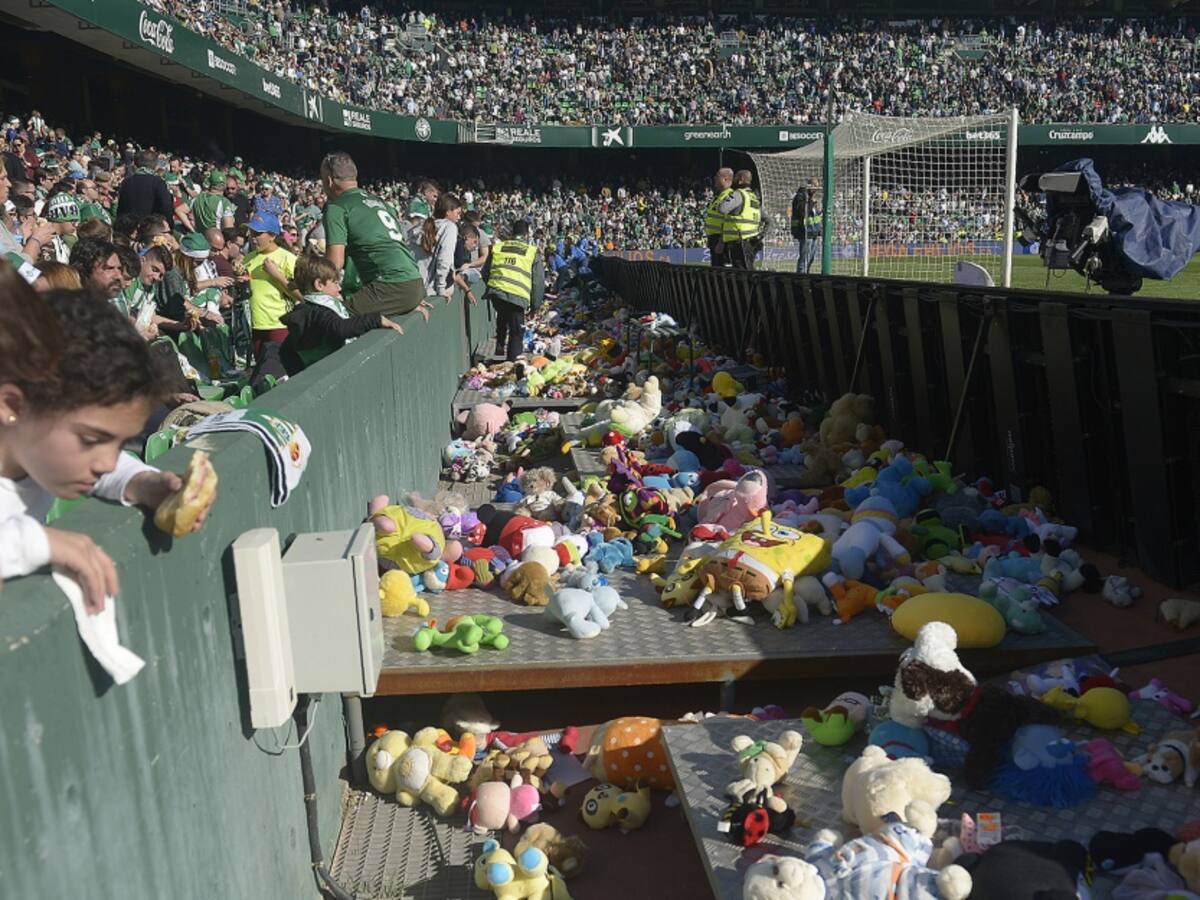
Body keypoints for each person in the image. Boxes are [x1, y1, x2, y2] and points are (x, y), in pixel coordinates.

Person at [0, 287, 206, 612]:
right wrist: (37, 543)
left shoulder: (36, 451)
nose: (108, 463)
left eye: (120, 442)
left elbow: (109, 465)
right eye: (92, 440)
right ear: (12, 405)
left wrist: (145, 483)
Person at [252, 253, 404, 383]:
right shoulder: (319, 312)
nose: (339, 288)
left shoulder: (309, 310)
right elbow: (339, 328)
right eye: (335, 283)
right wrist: (376, 319)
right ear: (319, 285)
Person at [319, 151, 428, 318]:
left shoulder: (337, 207)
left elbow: (334, 264)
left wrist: (308, 287)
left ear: (329, 180)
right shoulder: (381, 202)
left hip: (391, 286)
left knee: (330, 318)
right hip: (415, 282)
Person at [482, 219, 544, 363]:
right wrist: (535, 306)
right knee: (516, 332)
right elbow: (538, 282)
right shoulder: (531, 251)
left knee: (503, 316)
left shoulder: (498, 247)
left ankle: (499, 347)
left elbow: (485, 272)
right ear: (527, 234)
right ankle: (511, 364)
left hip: (497, 293)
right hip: (517, 296)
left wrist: (494, 286)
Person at [243, 210, 299, 358]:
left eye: (257, 234)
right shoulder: (247, 258)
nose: (253, 238)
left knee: (280, 370)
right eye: (251, 233)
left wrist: (276, 275)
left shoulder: (288, 258)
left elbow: (301, 295)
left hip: (279, 324)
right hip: (254, 325)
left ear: (272, 236)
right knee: (261, 373)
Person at [416, 192, 463, 299]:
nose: (459, 217)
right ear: (448, 212)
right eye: (457, 213)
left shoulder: (421, 226)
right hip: (431, 291)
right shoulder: (450, 227)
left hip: (415, 289)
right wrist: (441, 288)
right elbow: (444, 260)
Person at [721, 170, 762, 271]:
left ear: (741, 180)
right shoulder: (753, 197)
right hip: (751, 239)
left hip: (739, 240)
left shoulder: (739, 194)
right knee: (748, 269)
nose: (733, 180)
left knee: (742, 273)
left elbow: (723, 208)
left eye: (736, 177)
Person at [116, 150, 173, 219]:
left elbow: (121, 208)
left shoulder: (126, 181)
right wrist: (169, 224)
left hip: (129, 225)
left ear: (135, 164)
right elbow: (166, 206)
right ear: (155, 165)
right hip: (149, 226)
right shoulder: (158, 182)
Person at [704, 167, 734, 268]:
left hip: (722, 241)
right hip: (714, 239)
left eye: (717, 176)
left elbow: (729, 221)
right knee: (715, 269)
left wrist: (722, 241)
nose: (714, 179)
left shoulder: (730, 196)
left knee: (722, 270)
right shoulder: (718, 196)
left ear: (725, 179)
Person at [42, 193, 80, 264]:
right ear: (59, 219)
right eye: (73, 221)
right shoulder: (45, 240)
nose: (76, 225)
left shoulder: (62, 239)